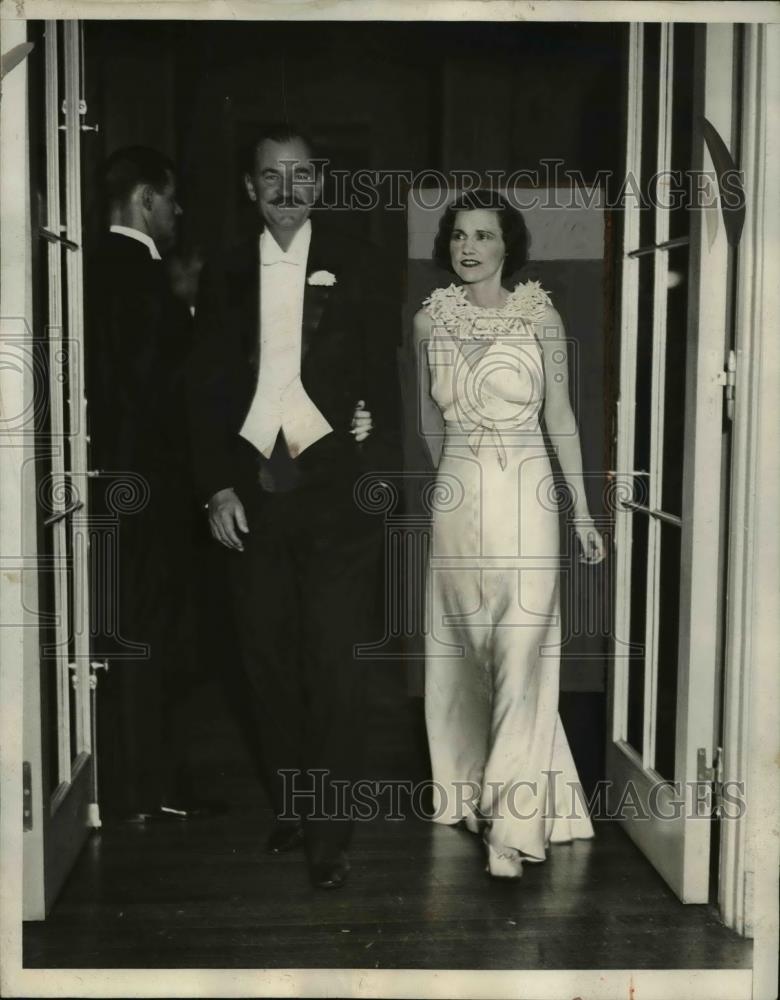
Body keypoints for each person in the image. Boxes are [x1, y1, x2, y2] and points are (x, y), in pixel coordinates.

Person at [186, 124, 400, 889]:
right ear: (250, 187)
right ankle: (293, 803)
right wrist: (215, 486)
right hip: (251, 496)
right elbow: (203, 388)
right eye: (271, 177)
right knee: (266, 663)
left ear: (320, 182)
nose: (287, 190)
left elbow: (386, 374)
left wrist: (376, 454)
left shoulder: (363, 262)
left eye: (300, 175)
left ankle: (330, 833)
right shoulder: (224, 269)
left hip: (337, 496)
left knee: (335, 668)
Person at [413, 189, 605, 878]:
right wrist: (458, 481)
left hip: (529, 498)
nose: (469, 247)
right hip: (460, 505)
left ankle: (511, 824)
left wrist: (582, 512)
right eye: (460, 235)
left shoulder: (540, 317)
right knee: (471, 655)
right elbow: (428, 423)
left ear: (506, 246)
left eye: (484, 236)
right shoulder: (428, 321)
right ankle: (474, 790)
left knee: (522, 652)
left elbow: (562, 421)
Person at [86, 146, 222, 823]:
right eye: (170, 199)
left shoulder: (81, 268)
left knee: (117, 634)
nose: (177, 211)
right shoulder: (144, 281)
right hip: (150, 490)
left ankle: (124, 786)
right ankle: (145, 791)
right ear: (144, 200)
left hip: (101, 482)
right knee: (151, 637)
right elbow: (160, 395)